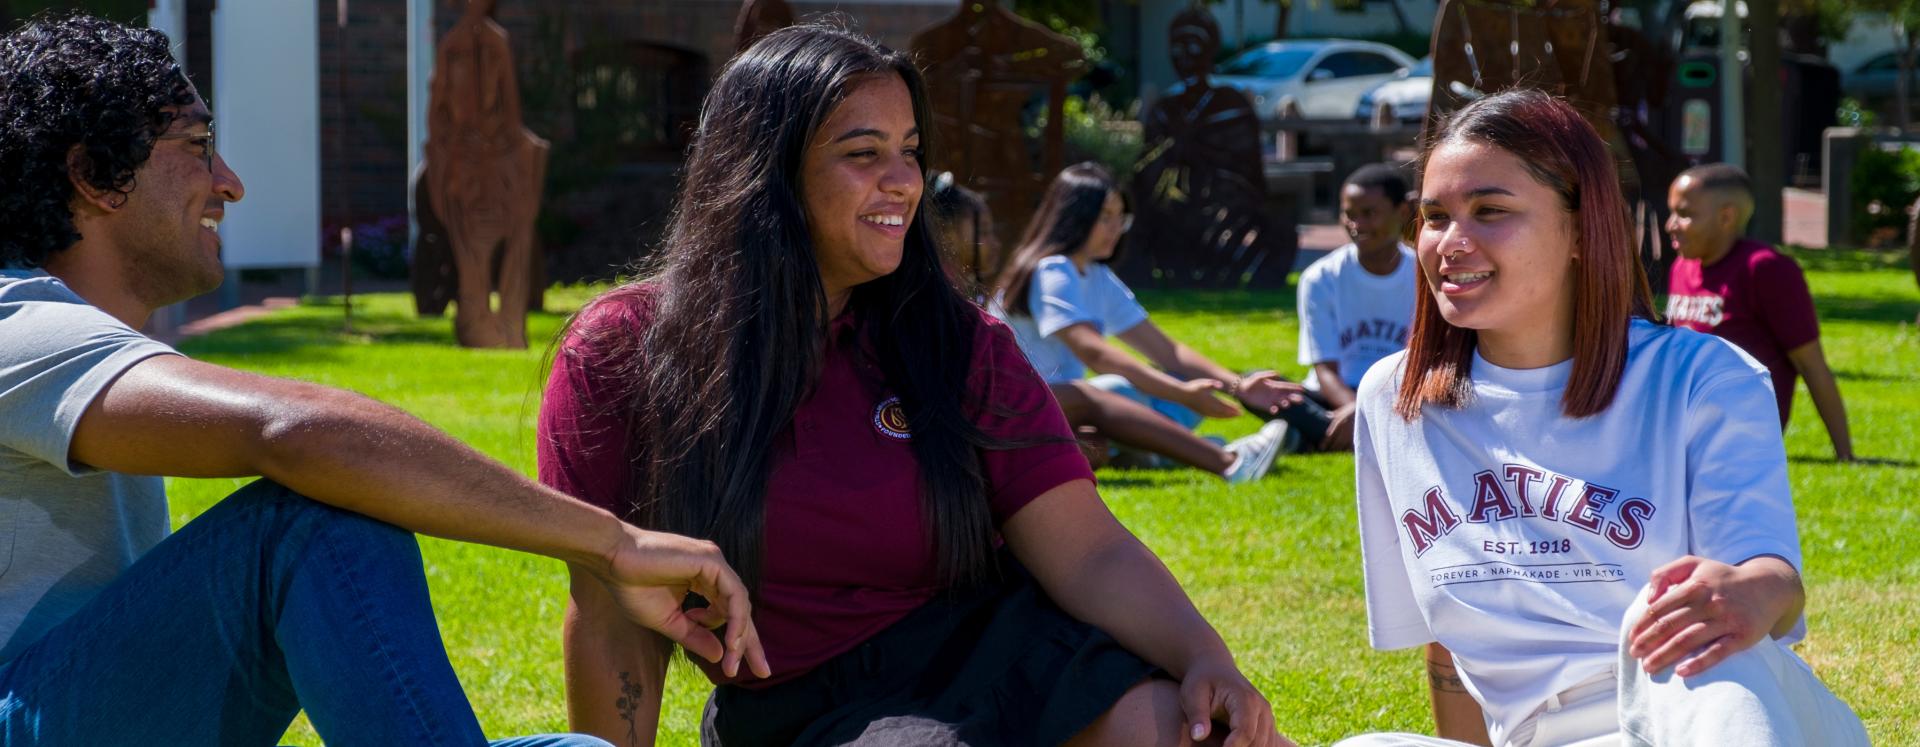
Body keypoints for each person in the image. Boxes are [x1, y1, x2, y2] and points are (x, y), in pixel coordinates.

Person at [0, 14, 764, 745]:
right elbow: (297, 434)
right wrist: (613, 543)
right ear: (94, 175)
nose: (229, 183)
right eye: (199, 145)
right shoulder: (15, 325)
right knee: (313, 516)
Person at [539, 25, 1288, 747]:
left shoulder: (958, 342)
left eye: (911, 151)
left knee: (1202, 735)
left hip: (1000, 648)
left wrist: (1204, 657)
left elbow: (1088, 550)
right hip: (804, 707)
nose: (904, 181)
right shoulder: (622, 351)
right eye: (863, 153)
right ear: (765, 170)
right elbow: (609, 610)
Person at [1340, 89, 1867, 747]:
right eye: (1435, 216)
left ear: (1582, 231)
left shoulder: (1701, 377)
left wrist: (1753, 590)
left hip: (1709, 709)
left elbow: (1769, 580)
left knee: (1683, 627)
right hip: (1542, 737)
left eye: (1490, 211)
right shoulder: (1396, 399)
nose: (1451, 242)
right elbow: (1447, 646)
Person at [1664, 163, 1854, 460]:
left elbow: (1810, 364)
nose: (1671, 225)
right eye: (1672, 212)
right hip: (1683, 428)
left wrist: (1845, 455)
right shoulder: (1681, 267)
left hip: (1743, 434)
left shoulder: (1766, 269)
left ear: (1726, 217)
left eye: (1685, 214)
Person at [1295, 164, 1418, 451]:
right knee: (1267, 389)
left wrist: (1367, 410)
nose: (1356, 225)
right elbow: (1324, 368)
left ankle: (1308, 437)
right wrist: (1355, 408)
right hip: (1335, 397)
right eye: (1349, 214)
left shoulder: (1425, 276)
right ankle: (1372, 434)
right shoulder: (1320, 277)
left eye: (1369, 213)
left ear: (1402, 212)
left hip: (1399, 393)